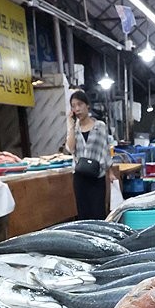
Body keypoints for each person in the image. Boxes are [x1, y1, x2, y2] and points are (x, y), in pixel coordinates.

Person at [65, 90, 112, 220]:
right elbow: (70, 148)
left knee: (98, 213)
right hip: (80, 177)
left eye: (80, 104)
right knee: (83, 214)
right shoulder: (75, 128)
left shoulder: (100, 126)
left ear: (87, 105)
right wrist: (71, 126)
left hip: (97, 176)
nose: (77, 109)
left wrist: (111, 172)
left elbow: (105, 149)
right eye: (73, 106)